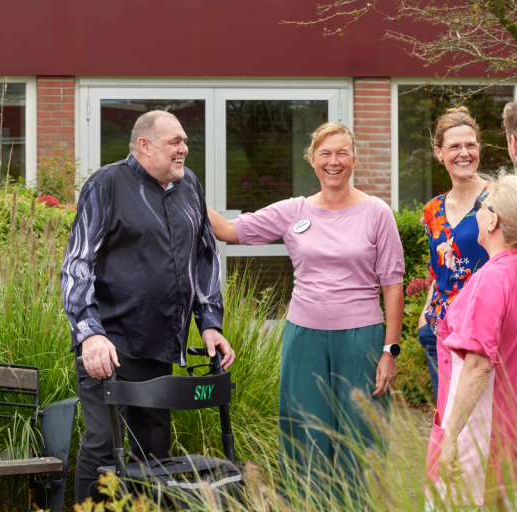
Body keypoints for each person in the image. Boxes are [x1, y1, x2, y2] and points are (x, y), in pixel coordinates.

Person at [207, 122, 405, 492]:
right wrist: (184, 190)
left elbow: (393, 285)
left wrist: (389, 351)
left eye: (342, 153)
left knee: (360, 433)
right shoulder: (293, 210)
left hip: (361, 338)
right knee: (305, 433)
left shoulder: (377, 212)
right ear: (312, 160)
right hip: (304, 337)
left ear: (354, 159)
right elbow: (229, 231)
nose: (334, 161)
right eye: (325, 154)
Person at [61, 110, 235, 503]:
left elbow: (205, 254)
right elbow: (77, 264)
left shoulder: (189, 185)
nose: (184, 149)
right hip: (110, 348)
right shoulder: (107, 184)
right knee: (104, 447)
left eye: (185, 142)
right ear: (144, 145)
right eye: (175, 141)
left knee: (155, 454)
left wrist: (210, 323)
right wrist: (90, 334)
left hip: (161, 346)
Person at [425, 167, 517, 509]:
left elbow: (477, 366)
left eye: (483, 206)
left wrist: (450, 440)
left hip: (481, 436)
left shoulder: (491, 280)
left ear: (492, 223)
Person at [419, 107, 491, 400]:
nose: (464, 153)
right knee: (447, 427)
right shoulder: (432, 209)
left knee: (485, 432)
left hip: (482, 335)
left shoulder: (497, 200)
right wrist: (426, 315)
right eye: (454, 146)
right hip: (439, 331)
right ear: (438, 153)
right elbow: (438, 271)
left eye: (470, 145)